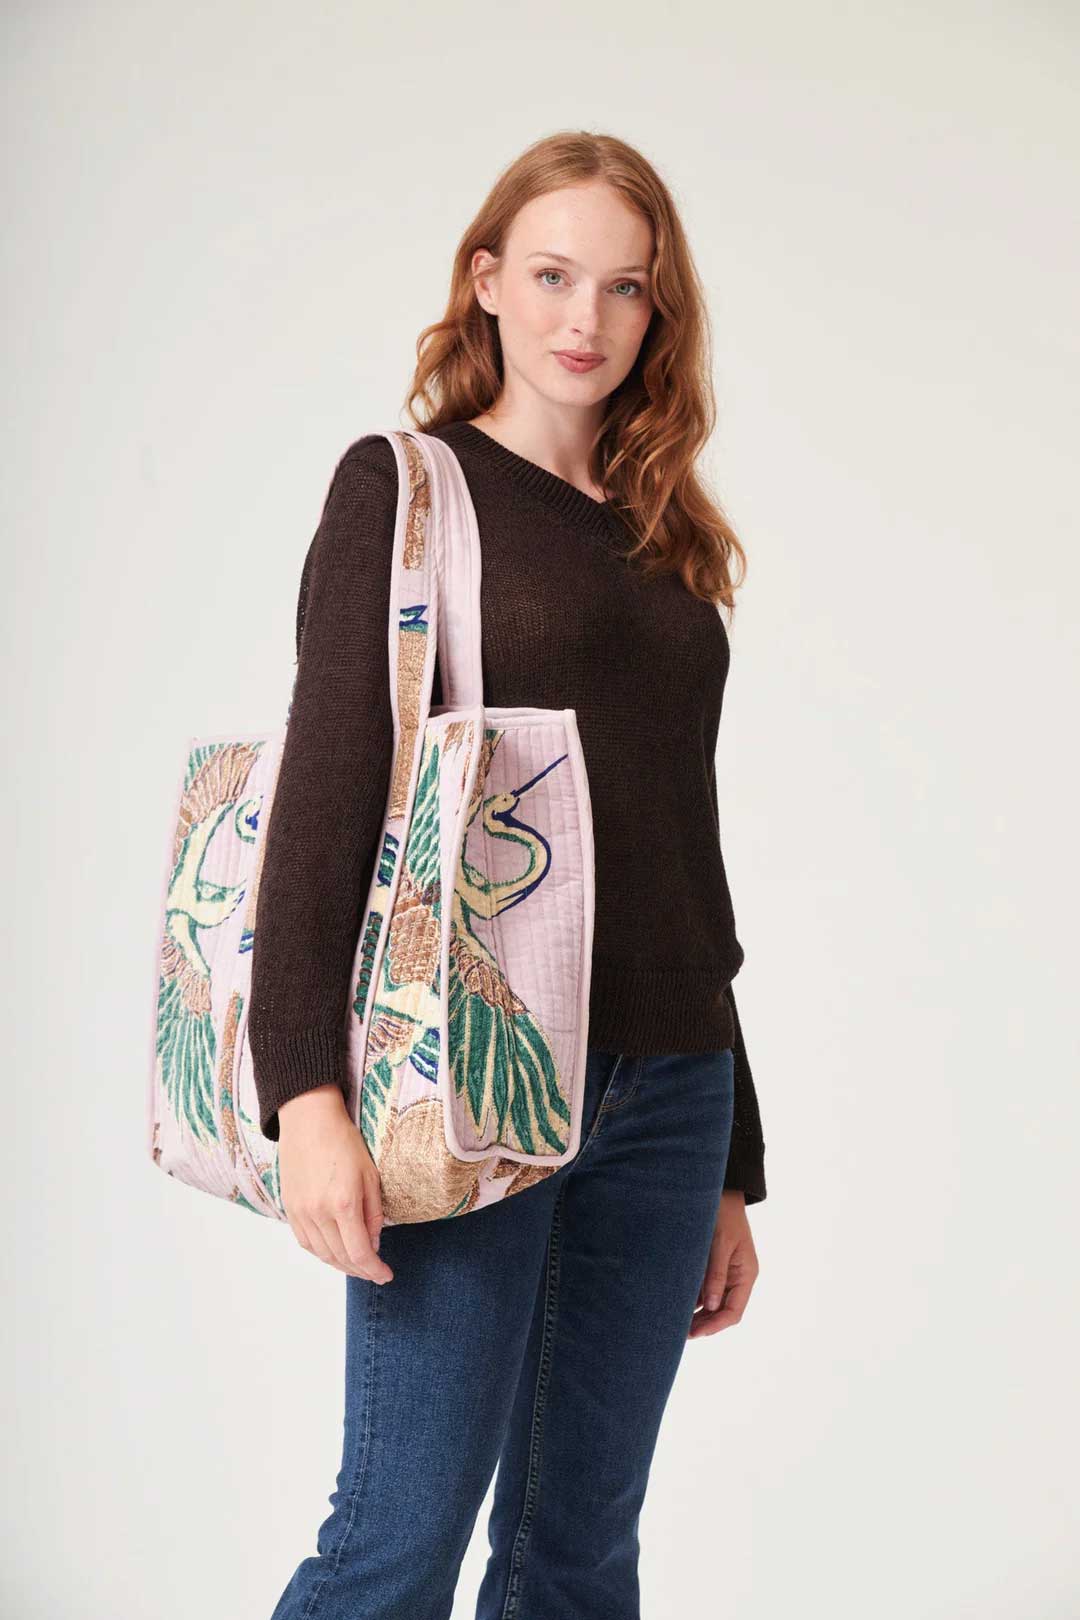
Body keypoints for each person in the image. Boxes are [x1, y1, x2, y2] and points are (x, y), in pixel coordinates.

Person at [249, 128, 767, 1620]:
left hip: (670, 1089)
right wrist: (305, 1096)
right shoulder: (409, 490)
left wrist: (731, 1154)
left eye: (624, 287)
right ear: (484, 279)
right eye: (550, 275)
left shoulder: (666, 535)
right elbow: (329, 798)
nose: (584, 319)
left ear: (658, 309)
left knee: (578, 1556)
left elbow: (680, 848)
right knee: (396, 1542)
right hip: (473, 1062)